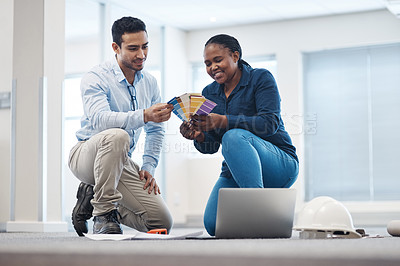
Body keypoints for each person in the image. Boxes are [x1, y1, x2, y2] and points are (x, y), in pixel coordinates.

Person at [180, 34, 299, 236]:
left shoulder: (260, 78)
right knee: (213, 224)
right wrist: (199, 136)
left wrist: (224, 121)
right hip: (238, 169)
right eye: (208, 63)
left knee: (233, 136)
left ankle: (260, 217)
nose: (212, 67)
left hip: (279, 162)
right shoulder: (209, 93)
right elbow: (213, 146)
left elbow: (269, 124)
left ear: (235, 56)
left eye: (218, 60)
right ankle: (260, 216)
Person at [69, 16, 173, 236]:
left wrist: (148, 166)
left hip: (119, 160)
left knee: (161, 223)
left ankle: (93, 196)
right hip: (85, 155)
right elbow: (100, 119)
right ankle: (103, 213)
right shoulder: (95, 77)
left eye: (145, 47)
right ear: (116, 47)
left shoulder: (150, 82)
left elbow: (156, 128)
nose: (141, 55)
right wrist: (144, 115)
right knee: (118, 136)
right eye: (133, 48)